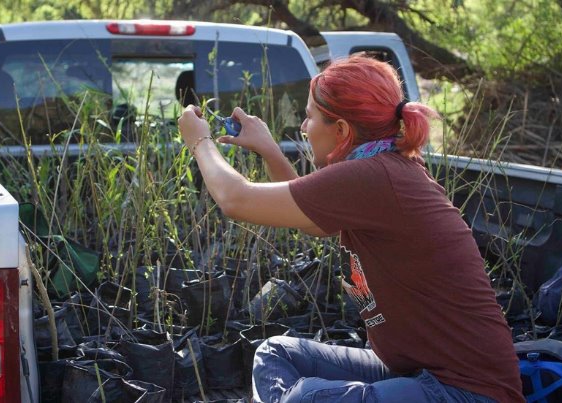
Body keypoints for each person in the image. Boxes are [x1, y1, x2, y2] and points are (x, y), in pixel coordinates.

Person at [177, 55, 524, 402]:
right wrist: (269, 150)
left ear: (342, 130)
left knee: (304, 398)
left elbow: (235, 199)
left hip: (466, 392)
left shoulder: (373, 176)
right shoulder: (386, 167)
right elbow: (315, 225)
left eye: (310, 116)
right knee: (275, 354)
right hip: (415, 372)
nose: (303, 127)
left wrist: (200, 142)